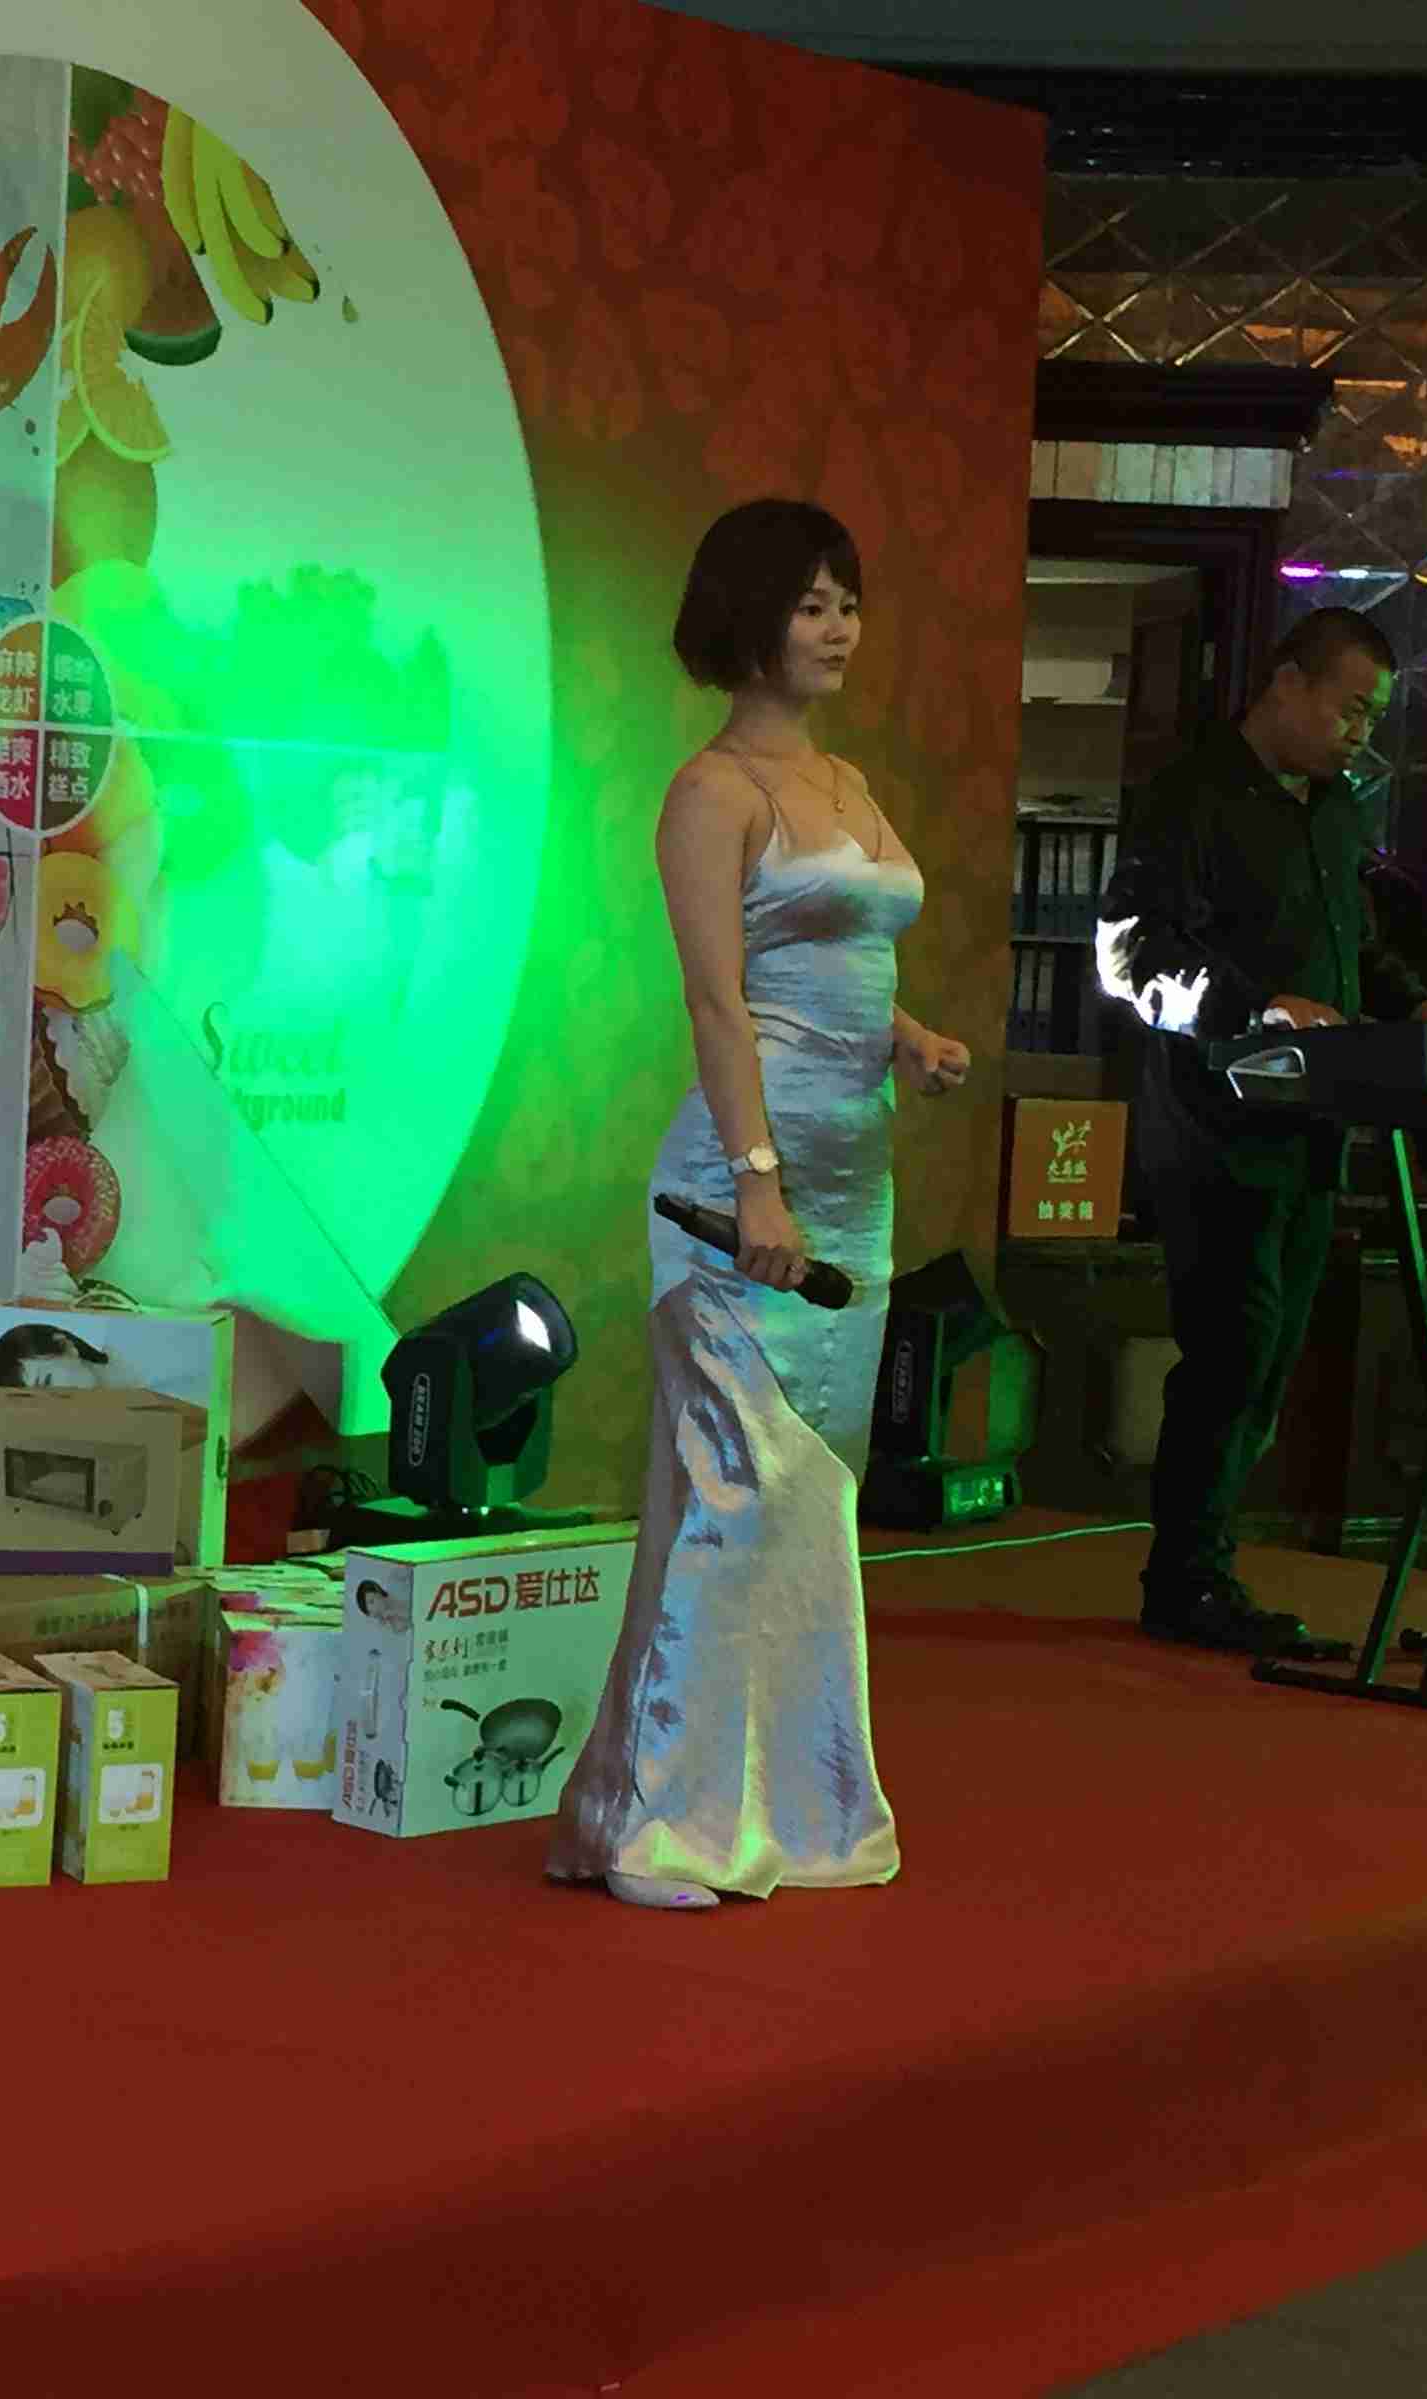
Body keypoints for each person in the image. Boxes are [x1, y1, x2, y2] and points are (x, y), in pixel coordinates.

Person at [547, 499, 970, 1913]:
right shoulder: (711, 791)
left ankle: (795, 1810)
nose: (838, 627)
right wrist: (758, 1183)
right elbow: (721, 1001)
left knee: (806, 1507)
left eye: (847, 600)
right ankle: (662, 1823)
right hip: (740, 1191)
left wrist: (907, 1037)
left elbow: (838, 955)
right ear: (747, 620)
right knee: (736, 1497)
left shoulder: (845, 778)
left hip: (855, 1183)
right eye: (808, 604)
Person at [1094, 606, 1427, 1656]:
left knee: (1267, 1362)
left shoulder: (1336, 812)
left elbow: (1351, 954)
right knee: (1233, 1348)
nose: (1361, 733)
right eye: (1350, 709)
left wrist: (1415, 1005)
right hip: (1212, 1125)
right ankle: (1186, 1580)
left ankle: (1203, 1568)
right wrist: (1255, 1007)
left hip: (1314, 1125)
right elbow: (1131, 955)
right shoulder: (1191, 794)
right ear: (1285, 684)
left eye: (1372, 717)